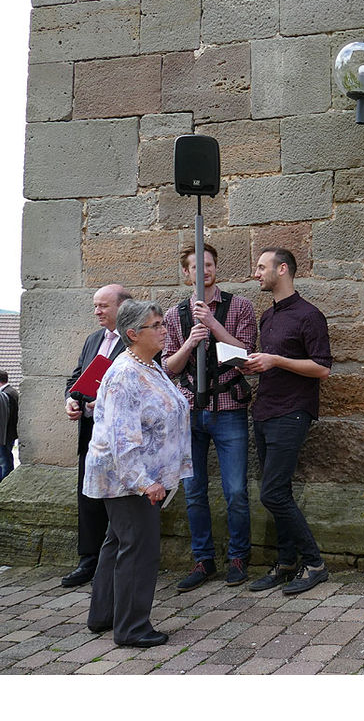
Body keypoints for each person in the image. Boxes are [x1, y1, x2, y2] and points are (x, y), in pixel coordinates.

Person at [83, 300, 192, 647]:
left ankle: (104, 615)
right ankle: (131, 628)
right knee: (139, 549)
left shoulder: (149, 364)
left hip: (140, 477)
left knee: (117, 543)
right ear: (133, 333)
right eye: (156, 325)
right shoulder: (125, 375)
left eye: (162, 323)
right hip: (128, 480)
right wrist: (145, 483)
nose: (164, 330)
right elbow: (122, 439)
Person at [163, 244, 258, 591]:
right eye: (196, 267)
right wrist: (190, 342)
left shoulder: (240, 306)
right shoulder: (174, 316)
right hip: (190, 410)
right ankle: (203, 561)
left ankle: (238, 557)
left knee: (235, 491)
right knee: (194, 491)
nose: (204, 270)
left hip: (229, 409)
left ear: (216, 268)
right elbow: (167, 368)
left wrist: (214, 325)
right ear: (186, 274)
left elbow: (246, 358)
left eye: (209, 264)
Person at [243, 247, 333, 595]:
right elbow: (272, 361)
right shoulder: (268, 317)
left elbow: (323, 368)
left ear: (283, 270)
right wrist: (253, 363)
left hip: (292, 412)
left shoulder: (309, 316)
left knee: (273, 493)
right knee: (277, 491)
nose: (257, 273)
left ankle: (315, 563)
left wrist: (276, 360)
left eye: (262, 267)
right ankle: (286, 563)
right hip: (264, 411)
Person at [61, 284, 130, 587]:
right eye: (95, 306)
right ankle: (87, 560)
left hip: (118, 435)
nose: (97, 312)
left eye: (103, 306)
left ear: (122, 307)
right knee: (87, 497)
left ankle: (113, 561)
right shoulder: (93, 340)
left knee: (116, 499)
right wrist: (71, 400)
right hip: (89, 433)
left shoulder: (133, 341)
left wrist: (103, 400)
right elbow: (75, 378)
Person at [0, 370, 17, 482]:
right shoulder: (11, 391)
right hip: (8, 433)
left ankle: (6, 481)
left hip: (5, 433)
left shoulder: (7, 394)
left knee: (4, 461)